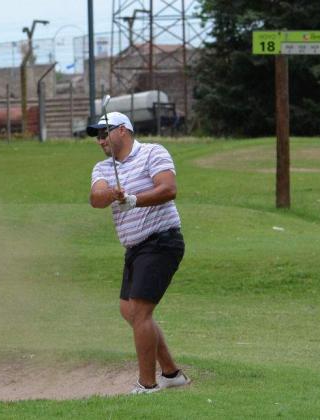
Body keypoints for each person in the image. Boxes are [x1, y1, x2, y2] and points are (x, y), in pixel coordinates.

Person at [87, 112, 190, 394]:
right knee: (129, 311)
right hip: (135, 247)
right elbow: (96, 198)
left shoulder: (152, 152)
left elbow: (168, 189)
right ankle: (171, 373)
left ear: (123, 130)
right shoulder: (103, 168)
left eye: (104, 133)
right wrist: (112, 194)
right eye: (97, 136)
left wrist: (134, 199)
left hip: (162, 241)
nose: (100, 140)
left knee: (141, 312)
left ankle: (148, 384)